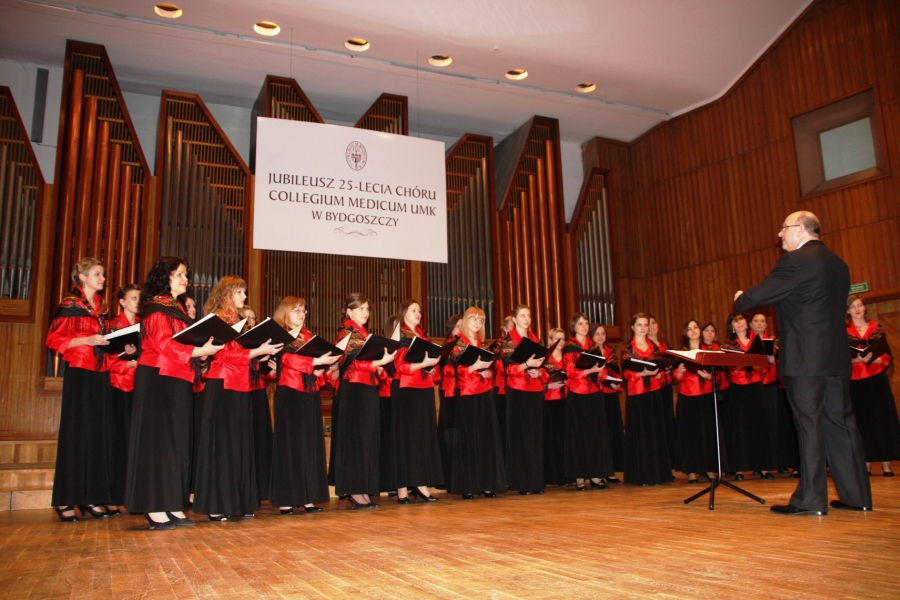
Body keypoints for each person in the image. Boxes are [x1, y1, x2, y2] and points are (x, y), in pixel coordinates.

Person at [734, 210, 872, 514]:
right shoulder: (840, 264)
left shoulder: (794, 261)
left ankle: (811, 500)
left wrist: (741, 297)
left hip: (805, 360)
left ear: (801, 229)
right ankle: (857, 497)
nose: (780, 234)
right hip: (836, 358)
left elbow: (755, 297)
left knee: (809, 425)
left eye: (784, 228)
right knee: (842, 424)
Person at [125, 256, 222, 529]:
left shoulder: (174, 307)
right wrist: (199, 351)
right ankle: (155, 506)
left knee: (177, 444)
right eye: (179, 274)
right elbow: (164, 345)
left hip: (177, 378)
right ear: (164, 277)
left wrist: (201, 353)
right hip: (158, 379)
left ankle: (172, 503)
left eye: (185, 274)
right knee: (158, 444)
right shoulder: (156, 307)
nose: (185, 279)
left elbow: (181, 344)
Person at [192, 276, 282, 521]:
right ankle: (216, 503)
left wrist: (260, 355)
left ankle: (237, 502)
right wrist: (256, 352)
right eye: (240, 292)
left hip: (241, 385)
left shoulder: (238, 321)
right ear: (227, 293)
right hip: (223, 384)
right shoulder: (219, 320)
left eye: (244, 292)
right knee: (222, 445)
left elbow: (240, 355)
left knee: (239, 444)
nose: (244, 296)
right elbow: (222, 356)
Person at [47, 258, 114, 521]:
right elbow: (53, 339)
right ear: (82, 277)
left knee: (95, 435)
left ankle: (90, 497)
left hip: (100, 371)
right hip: (79, 371)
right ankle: (65, 500)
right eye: (97, 274)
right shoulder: (69, 305)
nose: (102, 279)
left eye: (103, 274)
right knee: (75, 434)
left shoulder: (101, 307)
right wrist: (87, 339)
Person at [269, 296, 338, 514]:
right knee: (290, 447)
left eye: (304, 310)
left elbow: (313, 368)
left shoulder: (307, 336)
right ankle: (287, 500)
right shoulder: (280, 335)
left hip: (309, 393)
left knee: (309, 445)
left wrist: (322, 369)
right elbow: (288, 360)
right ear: (285, 313)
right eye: (296, 310)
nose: (302, 314)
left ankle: (308, 497)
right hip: (290, 394)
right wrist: (316, 362)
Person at [329, 293, 396, 509]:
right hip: (354, 391)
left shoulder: (364, 334)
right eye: (361, 309)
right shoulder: (346, 333)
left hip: (367, 389)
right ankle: (355, 490)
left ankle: (364, 489)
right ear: (349, 311)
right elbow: (350, 364)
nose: (366, 313)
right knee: (356, 441)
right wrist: (377, 363)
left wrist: (380, 366)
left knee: (368, 440)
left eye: (367, 309)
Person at [447, 307, 505, 499]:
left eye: (481, 321)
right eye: (474, 319)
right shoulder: (458, 344)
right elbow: (455, 371)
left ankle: (487, 483)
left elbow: (493, 369)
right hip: (467, 394)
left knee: (486, 438)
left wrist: (488, 372)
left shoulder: (484, 345)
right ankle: (469, 485)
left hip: (484, 394)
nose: (477, 323)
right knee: (469, 438)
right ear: (465, 320)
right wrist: (474, 367)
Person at [390, 300, 444, 503]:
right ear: (404, 313)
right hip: (406, 389)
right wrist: (423, 364)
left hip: (424, 389)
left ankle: (421, 485)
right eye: (413, 310)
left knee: (423, 438)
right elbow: (399, 367)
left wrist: (431, 367)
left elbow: (429, 367)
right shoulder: (401, 334)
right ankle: (402, 488)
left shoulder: (423, 336)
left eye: (419, 310)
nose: (418, 313)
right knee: (405, 439)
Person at [846, 295, 899, 477]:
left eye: (859, 305)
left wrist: (877, 359)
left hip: (876, 379)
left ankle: (886, 463)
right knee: (863, 423)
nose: (857, 309)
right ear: (848, 311)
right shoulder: (844, 332)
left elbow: (887, 353)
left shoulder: (877, 328)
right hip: (856, 381)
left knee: (882, 420)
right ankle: (866, 462)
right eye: (853, 307)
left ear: (864, 308)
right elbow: (840, 358)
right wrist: (855, 360)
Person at [499, 304, 546, 494]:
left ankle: (535, 481)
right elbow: (507, 368)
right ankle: (522, 483)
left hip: (535, 390)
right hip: (518, 391)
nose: (527, 319)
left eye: (529, 316)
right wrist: (526, 365)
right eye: (523, 316)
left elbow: (545, 365)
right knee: (521, 437)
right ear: (514, 319)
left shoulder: (535, 339)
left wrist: (539, 372)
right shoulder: (508, 341)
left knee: (535, 436)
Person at [721, 313, 775, 480]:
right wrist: (742, 364)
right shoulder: (729, 345)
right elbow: (729, 369)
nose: (739, 323)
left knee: (759, 426)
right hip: (738, 388)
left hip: (756, 386)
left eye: (741, 320)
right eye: (735, 322)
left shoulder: (757, 340)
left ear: (746, 322)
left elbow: (765, 365)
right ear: (732, 326)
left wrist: (758, 364)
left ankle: (762, 467)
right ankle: (739, 468)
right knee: (740, 428)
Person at [621, 313, 673, 486]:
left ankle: (658, 474)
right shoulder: (627, 348)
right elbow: (627, 373)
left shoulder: (654, 346)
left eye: (645, 325)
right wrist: (641, 373)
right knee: (641, 433)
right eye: (640, 325)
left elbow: (662, 366)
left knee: (655, 431)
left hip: (654, 391)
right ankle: (642, 475)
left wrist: (659, 373)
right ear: (632, 327)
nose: (643, 328)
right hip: (637, 393)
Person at [562, 315, 613, 490]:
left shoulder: (594, 347)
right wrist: (589, 371)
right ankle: (580, 477)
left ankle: (596, 475)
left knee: (596, 435)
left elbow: (603, 371)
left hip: (595, 393)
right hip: (578, 394)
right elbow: (570, 372)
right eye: (580, 323)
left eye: (586, 323)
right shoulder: (570, 347)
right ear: (573, 326)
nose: (584, 326)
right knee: (579, 436)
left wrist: (600, 372)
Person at [106, 283, 141, 515]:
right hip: (117, 387)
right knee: (117, 442)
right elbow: (106, 361)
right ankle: (112, 495)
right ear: (122, 302)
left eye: (139, 298)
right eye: (133, 298)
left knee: (133, 444)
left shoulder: (142, 326)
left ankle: (130, 495)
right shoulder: (113, 327)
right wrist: (129, 362)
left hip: (137, 388)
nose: (137, 302)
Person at [673, 319, 718, 483]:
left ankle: (709, 468)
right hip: (688, 396)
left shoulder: (710, 350)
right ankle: (691, 470)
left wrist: (710, 376)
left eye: (696, 327)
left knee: (708, 433)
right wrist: (679, 371)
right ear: (685, 333)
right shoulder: (681, 353)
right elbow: (676, 378)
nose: (693, 330)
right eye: (689, 328)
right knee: (690, 435)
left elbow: (719, 374)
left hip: (706, 395)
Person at [243, 304, 274, 503]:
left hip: (258, 390)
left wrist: (271, 368)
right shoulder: (239, 340)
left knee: (261, 438)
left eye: (254, 318)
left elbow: (264, 372)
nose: (251, 321)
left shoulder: (259, 341)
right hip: (242, 390)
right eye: (247, 318)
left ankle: (263, 488)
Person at [593, 323, 624, 483]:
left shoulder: (611, 351)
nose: (600, 337)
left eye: (603, 334)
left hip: (611, 395)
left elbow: (616, 371)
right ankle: (601, 470)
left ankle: (611, 470)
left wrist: (617, 382)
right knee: (601, 433)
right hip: (598, 395)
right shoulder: (591, 352)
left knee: (612, 432)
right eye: (597, 334)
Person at [648, 315, 679, 472]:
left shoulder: (665, 344)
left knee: (668, 422)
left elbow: (674, 364)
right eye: (648, 324)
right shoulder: (645, 346)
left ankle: (669, 463)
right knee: (657, 424)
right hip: (653, 388)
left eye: (653, 323)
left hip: (666, 386)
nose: (651, 326)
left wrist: (669, 369)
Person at [437, 314, 462, 490]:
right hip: (449, 392)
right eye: (458, 326)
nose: (460, 330)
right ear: (451, 328)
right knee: (449, 434)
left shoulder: (464, 344)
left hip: (461, 392)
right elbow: (445, 370)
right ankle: (448, 477)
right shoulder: (447, 346)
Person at [542, 327, 568, 488]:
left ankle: (567, 475)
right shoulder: (545, 358)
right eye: (557, 339)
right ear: (550, 340)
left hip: (566, 400)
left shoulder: (567, 357)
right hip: (550, 401)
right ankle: (553, 475)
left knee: (565, 439)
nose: (561, 342)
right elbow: (538, 378)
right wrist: (548, 386)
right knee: (552, 439)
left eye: (563, 339)